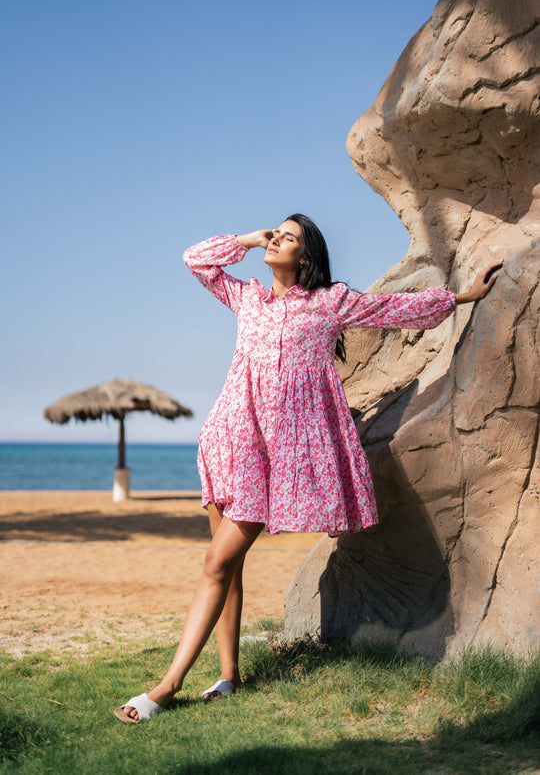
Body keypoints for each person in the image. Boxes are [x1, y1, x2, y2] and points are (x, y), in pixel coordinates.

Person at [114, 213, 502, 723]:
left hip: (278, 459)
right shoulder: (247, 297)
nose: (275, 240)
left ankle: (166, 687)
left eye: (287, 237)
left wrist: (463, 297)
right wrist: (248, 239)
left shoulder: (329, 303)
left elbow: (395, 308)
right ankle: (228, 677)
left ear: (306, 255)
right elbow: (196, 260)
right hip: (231, 440)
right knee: (228, 568)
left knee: (214, 564)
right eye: (273, 233)